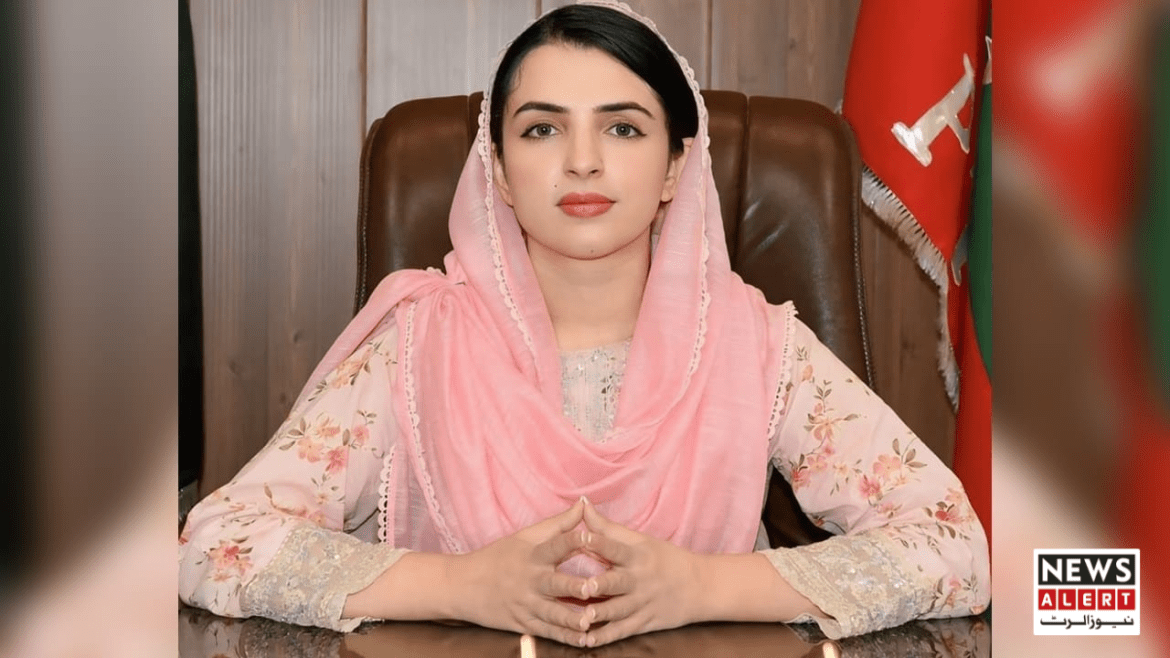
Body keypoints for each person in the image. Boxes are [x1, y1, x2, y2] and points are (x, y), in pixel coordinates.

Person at [178, 0, 989, 647]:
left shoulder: (757, 349)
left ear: (677, 163)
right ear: (495, 164)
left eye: (623, 127)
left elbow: (954, 545)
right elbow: (218, 542)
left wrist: (701, 587)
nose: (583, 160)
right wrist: (463, 587)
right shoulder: (418, 343)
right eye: (541, 128)